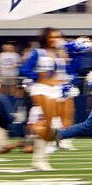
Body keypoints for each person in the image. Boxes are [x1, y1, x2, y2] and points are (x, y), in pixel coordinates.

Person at [20, 28, 68, 171]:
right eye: (52, 37)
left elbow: (62, 73)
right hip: (40, 88)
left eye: (57, 37)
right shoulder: (38, 53)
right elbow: (24, 69)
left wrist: (62, 81)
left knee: (54, 126)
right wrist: (38, 77)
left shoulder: (59, 54)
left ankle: (39, 158)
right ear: (45, 38)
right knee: (48, 123)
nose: (55, 39)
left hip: (56, 90)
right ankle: (39, 159)